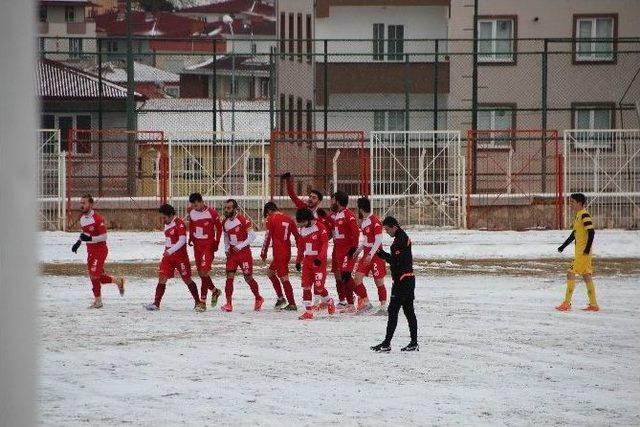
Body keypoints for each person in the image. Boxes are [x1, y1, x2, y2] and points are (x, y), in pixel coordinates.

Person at [280, 171, 334, 307]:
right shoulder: (303, 209)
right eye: (310, 196)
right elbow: (292, 196)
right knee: (308, 283)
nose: (310, 199)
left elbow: (330, 230)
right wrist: (288, 181)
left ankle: (325, 301)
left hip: (318, 251)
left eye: (314, 197)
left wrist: (326, 219)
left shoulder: (321, 215)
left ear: (319, 201)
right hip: (306, 250)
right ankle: (314, 305)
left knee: (318, 284)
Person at [145, 204, 205, 312]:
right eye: (162, 217)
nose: (163, 220)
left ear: (171, 215)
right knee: (162, 278)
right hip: (168, 258)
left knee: (187, 279)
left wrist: (170, 250)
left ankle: (198, 302)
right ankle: (156, 303)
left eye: (164, 217)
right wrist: (167, 251)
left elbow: (182, 241)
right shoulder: (167, 224)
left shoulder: (179, 224)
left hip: (180, 258)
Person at [371, 216, 418, 352]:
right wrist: (383, 254)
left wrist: (382, 254)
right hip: (406, 280)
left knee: (394, 311)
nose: (386, 232)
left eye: (387, 229)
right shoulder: (401, 237)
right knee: (408, 312)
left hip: (403, 281)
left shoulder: (400, 240)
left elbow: (397, 261)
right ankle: (413, 343)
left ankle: (387, 343)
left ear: (394, 227)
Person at [72, 194, 125, 309]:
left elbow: (104, 237)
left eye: (84, 203)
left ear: (90, 204)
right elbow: (85, 233)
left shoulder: (98, 219)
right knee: (98, 277)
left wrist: (90, 239)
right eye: (80, 203)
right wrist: (78, 242)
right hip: (90, 251)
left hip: (100, 251)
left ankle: (98, 301)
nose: (81, 205)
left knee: (94, 276)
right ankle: (118, 281)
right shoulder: (82, 218)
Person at [556, 193, 599, 312]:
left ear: (579, 203)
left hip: (582, 253)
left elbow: (591, 232)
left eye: (572, 202)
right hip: (582, 252)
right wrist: (563, 246)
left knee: (570, 272)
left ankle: (566, 303)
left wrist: (586, 249)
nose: (570, 205)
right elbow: (574, 234)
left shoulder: (584, 215)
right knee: (586, 276)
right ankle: (594, 304)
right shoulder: (578, 215)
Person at [220, 199, 264, 312]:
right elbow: (225, 237)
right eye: (225, 208)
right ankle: (228, 303)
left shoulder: (243, 220)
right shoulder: (224, 222)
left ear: (235, 209)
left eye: (229, 208)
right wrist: (226, 248)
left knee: (248, 277)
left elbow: (253, 236)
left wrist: (240, 246)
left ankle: (258, 298)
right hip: (232, 254)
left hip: (244, 253)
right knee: (229, 277)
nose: (226, 210)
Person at [295, 208, 336, 320]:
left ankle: (329, 300)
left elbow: (324, 244)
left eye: (302, 222)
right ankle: (308, 312)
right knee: (306, 286)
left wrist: (320, 258)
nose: (301, 225)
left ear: (308, 219)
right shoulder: (302, 230)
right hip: (307, 261)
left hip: (318, 262)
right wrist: (298, 261)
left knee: (319, 287)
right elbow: (301, 247)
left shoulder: (320, 227)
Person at [330, 190, 366, 313]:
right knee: (345, 277)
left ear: (338, 201)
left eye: (333, 200)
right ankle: (350, 305)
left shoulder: (348, 214)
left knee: (345, 276)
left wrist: (353, 248)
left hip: (348, 250)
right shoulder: (336, 215)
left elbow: (355, 232)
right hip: (339, 251)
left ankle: (364, 299)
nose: (331, 202)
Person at [351, 197, 387, 315]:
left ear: (360, 209)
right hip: (366, 254)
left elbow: (378, 240)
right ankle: (366, 303)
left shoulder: (375, 221)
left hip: (376, 255)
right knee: (357, 278)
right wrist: (358, 250)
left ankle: (383, 307)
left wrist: (370, 255)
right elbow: (366, 240)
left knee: (379, 281)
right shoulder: (365, 221)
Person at [261, 201, 300, 310]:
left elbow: (267, 237)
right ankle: (281, 298)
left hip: (279, 253)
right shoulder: (289, 219)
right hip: (286, 252)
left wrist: (263, 252)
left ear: (269, 211)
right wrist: (300, 251)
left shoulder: (271, 219)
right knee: (270, 272)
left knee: (284, 278)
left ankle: (292, 304)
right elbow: (297, 236)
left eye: (267, 214)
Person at [187, 193, 222, 308]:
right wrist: (191, 237)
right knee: (201, 273)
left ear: (201, 201)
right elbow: (191, 225)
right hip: (197, 246)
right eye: (193, 205)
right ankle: (215, 291)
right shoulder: (191, 212)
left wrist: (217, 242)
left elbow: (219, 228)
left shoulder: (212, 213)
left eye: (196, 204)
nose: (194, 207)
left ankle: (202, 302)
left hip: (208, 245)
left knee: (203, 272)